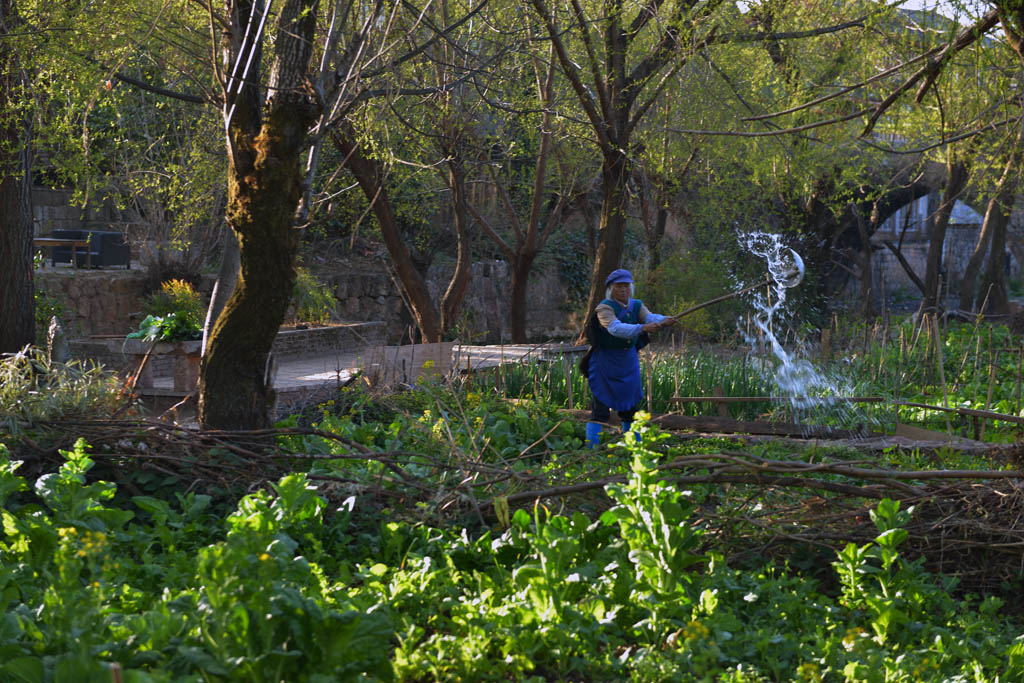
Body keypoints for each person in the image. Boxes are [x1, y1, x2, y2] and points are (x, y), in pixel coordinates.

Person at [585, 268, 675, 447]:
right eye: (619, 286)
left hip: (628, 363)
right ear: (611, 289)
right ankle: (591, 449)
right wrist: (642, 328)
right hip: (606, 363)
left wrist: (664, 319)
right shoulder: (604, 308)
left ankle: (634, 447)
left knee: (630, 408)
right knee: (600, 408)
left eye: (626, 286)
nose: (624, 290)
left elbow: (649, 317)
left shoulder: (636, 305)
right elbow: (615, 328)